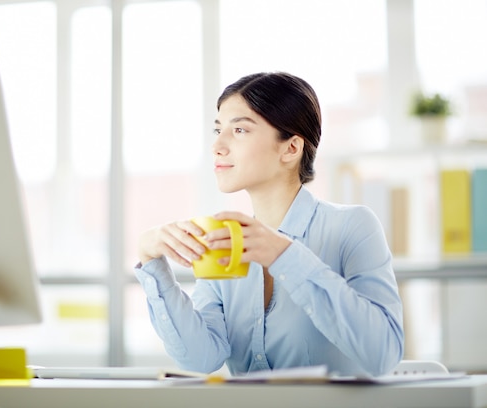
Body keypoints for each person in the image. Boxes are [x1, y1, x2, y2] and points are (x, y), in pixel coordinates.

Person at [134, 72, 404, 377]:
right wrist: (152, 261)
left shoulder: (351, 227)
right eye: (218, 129)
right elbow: (200, 359)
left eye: (239, 129)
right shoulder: (225, 242)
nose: (217, 146)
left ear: (290, 148)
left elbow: (384, 354)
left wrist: (284, 255)